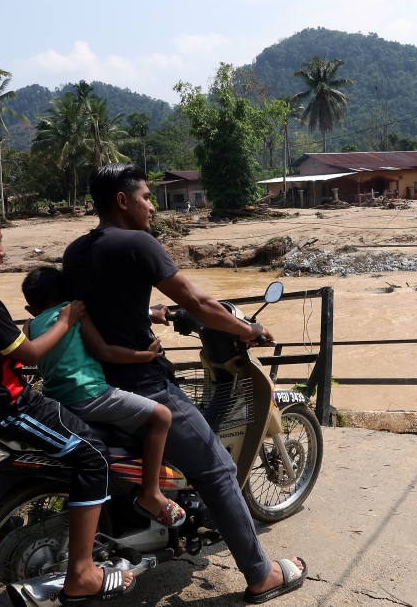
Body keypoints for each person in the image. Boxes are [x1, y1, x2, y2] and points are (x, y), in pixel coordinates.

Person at [63, 164, 307, 604]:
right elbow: (197, 301)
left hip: (94, 384)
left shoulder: (76, 251)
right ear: (122, 200)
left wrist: (151, 314)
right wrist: (247, 330)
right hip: (141, 384)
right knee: (218, 469)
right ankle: (261, 574)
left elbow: (102, 307)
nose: (153, 206)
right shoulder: (139, 242)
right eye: (146, 197)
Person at [0, 198, 134, 606]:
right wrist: (66, 319)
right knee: (93, 456)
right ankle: (82, 573)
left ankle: (16, 529)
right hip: (9, 409)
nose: (3, 251)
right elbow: (31, 354)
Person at [20, 265, 186, 528]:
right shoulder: (75, 313)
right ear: (67, 295)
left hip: (57, 402)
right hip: (91, 395)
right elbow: (104, 351)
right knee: (162, 416)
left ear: (31, 308)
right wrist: (146, 356)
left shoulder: (30, 326)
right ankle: (151, 494)